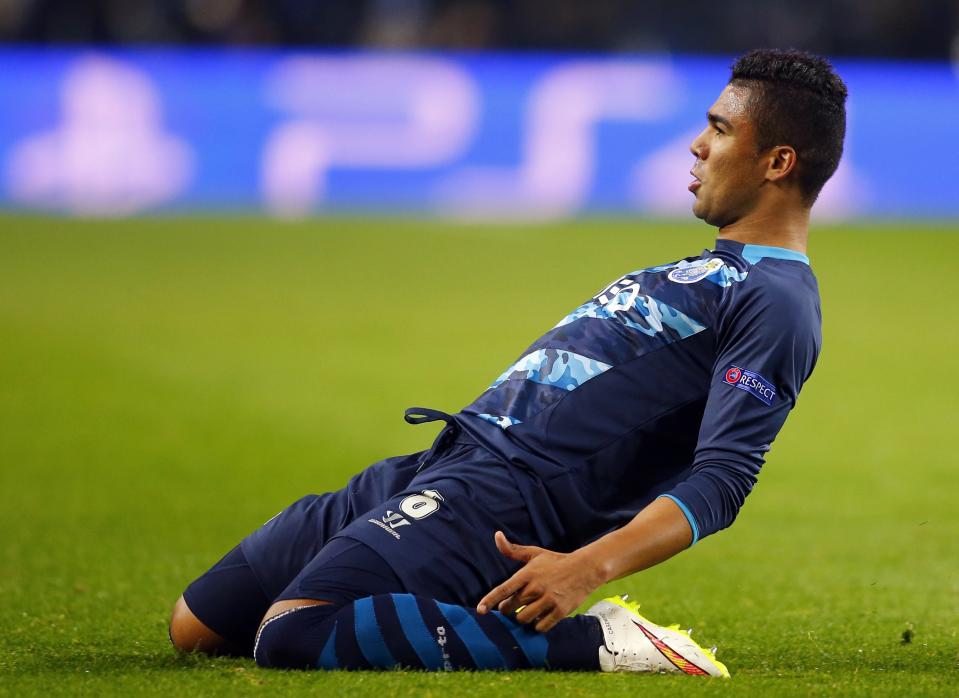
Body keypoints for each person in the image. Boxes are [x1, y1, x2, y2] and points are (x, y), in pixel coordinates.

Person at [169, 48, 847, 676]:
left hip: (504, 502)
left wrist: (586, 568)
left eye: (719, 130)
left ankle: (603, 643)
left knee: (291, 635)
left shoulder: (777, 304)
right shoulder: (705, 269)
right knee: (198, 625)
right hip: (444, 461)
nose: (698, 145)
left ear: (776, 162)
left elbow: (724, 476)